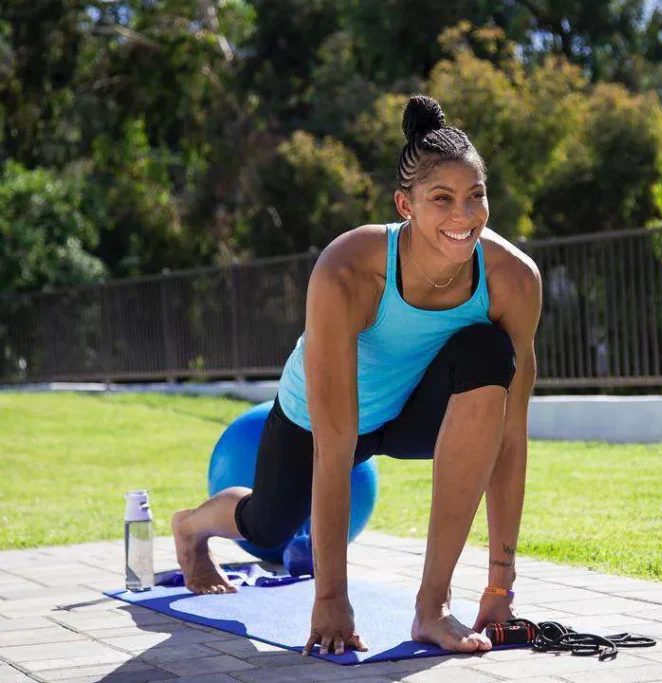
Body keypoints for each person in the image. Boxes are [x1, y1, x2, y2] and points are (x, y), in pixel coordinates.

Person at [170, 94, 542, 656]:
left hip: (413, 413)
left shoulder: (512, 279)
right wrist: (330, 598)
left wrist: (499, 587)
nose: (463, 215)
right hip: (318, 420)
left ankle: (432, 607)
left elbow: (510, 439)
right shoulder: (350, 268)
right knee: (268, 526)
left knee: (488, 351)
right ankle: (192, 527)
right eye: (442, 199)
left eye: (475, 196)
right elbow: (335, 442)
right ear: (405, 205)